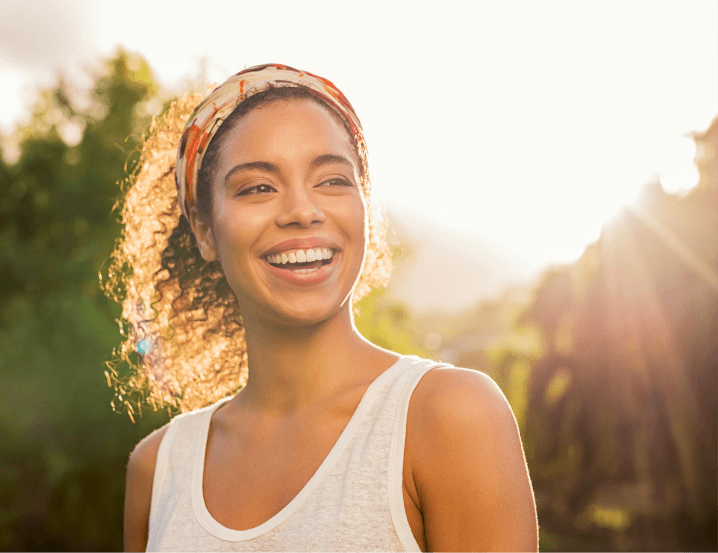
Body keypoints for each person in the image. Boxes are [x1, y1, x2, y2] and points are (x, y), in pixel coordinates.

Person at [118, 63, 538, 552]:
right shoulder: (157, 469)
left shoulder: (450, 417)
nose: (302, 210)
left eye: (333, 180)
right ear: (205, 229)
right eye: (258, 187)